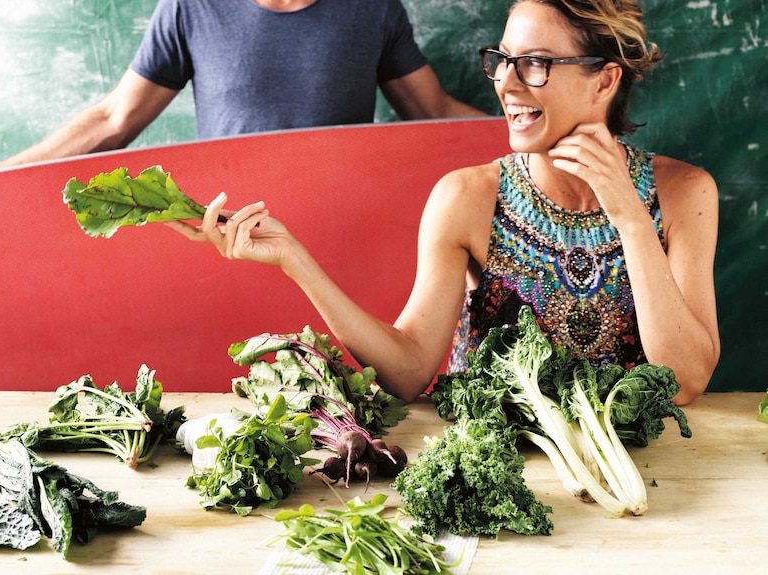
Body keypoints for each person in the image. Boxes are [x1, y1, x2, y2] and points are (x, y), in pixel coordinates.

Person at [165, 0, 721, 406]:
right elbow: (407, 373)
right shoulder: (467, 197)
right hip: (504, 476)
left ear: (604, 82)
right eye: (502, 60)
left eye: (535, 64)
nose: (506, 83)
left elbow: (686, 379)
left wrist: (628, 215)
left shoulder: (684, 194)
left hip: (640, 473)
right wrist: (294, 259)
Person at [0, 0, 484, 230]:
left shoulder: (373, 7)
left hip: (341, 231)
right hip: (225, 235)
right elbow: (114, 120)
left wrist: (542, 138)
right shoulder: (192, 6)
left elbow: (432, 112)